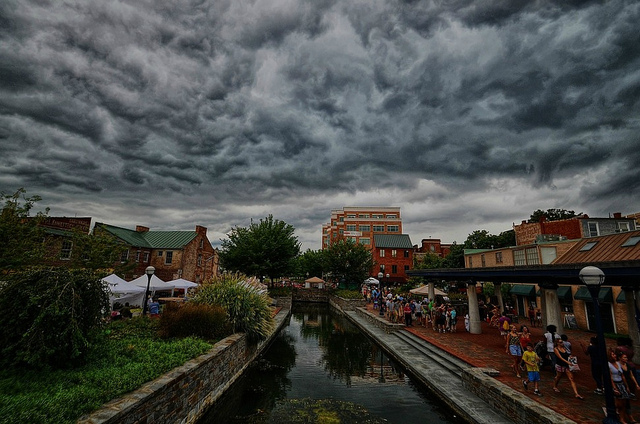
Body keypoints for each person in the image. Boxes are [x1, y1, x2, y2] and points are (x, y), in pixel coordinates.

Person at [609, 348, 634, 424]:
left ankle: (622, 418)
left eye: (614, 354)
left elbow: (622, 376)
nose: (614, 356)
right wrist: (614, 387)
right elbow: (610, 377)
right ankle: (616, 413)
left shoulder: (618, 363)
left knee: (624, 403)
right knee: (618, 403)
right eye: (613, 354)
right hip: (615, 383)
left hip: (621, 383)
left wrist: (626, 386)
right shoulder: (609, 365)